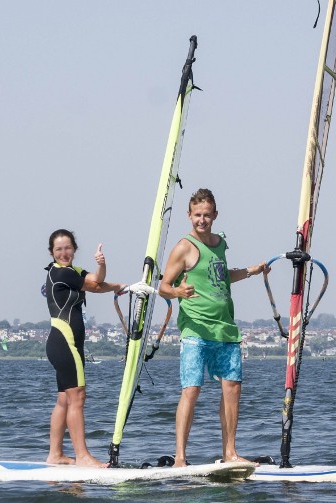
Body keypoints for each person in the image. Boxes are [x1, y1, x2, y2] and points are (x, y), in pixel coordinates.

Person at [158, 189, 268, 467]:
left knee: (232, 388)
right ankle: (180, 458)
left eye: (207, 215)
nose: (202, 220)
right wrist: (178, 292)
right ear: (189, 216)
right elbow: (163, 287)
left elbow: (221, 276)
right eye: (197, 215)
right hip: (196, 330)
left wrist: (250, 272)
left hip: (225, 329)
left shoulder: (220, 244)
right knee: (191, 390)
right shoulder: (184, 247)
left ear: (215, 215)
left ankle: (230, 452)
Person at [44, 228, 151, 467]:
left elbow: (96, 280)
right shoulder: (61, 272)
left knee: (64, 399)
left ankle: (55, 454)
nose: (64, 253)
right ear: (52, 252)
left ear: (74, 249)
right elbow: (93, 287)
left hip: (65, 344)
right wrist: (121, 286)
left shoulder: (72, 272)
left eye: (68, 248)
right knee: (78, 397)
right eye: (59, 249)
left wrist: (103, 266)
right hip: (65, 343)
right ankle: (82, 456)